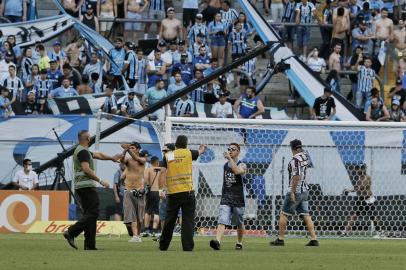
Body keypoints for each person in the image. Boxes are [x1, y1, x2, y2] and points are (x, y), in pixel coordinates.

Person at [63, 130, 121, 250]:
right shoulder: (83, 152)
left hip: (82, 187)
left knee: (90, 214)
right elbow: (86, 169)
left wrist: (112, 158)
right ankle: (71, 232)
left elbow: (98, 155)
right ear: (88, 139)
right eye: (91, 137)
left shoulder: (83, 151)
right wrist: (101, 180)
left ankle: (90, 245)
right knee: (93, 212)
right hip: (86, 186)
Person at [159, 135, 206, 251]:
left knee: (169, 220)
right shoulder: (189, 153)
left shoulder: (168, 155)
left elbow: (162, 173)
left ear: (176, 144)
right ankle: (188, 247)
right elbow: (200, 152)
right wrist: (202, 148)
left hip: (174, 192)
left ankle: (163, 245)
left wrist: (162, 189)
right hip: (188, 192)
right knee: (188, 221)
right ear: (186, 144)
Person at [270, 139, 319, 247]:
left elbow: (296, 176)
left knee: (284, 214)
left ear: (292, 148)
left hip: (296, 191)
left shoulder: (294, 160)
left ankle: (280, 239)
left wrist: (292, 192)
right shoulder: (305, 156)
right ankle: (314, 239)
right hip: (304, 191)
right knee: (306, 215)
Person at [209, 143, 247, 251]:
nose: (230, 151)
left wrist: (230, 159)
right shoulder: (225, 165)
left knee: (239, 222)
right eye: (229, 149)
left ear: (238, 152)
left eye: (233, 149)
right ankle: (217, 242)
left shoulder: (243, 165)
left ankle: (239, 242)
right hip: (226, 197)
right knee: (222, 220)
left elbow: (237, 171)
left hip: (238, 198)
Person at [341, 165, 383, 237]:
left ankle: (380, 232)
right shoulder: (359, 178)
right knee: (354, 215)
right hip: (360, 200)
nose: (359, 170)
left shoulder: (367, 178)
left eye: (361, 168)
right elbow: (358, 188)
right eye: (358, 169)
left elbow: (360, 188)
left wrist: (348, 191)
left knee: (373, 217)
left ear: (365, 169)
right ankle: (345, 232)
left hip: (367, 199)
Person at [120, 142, 148, 243]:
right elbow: (122, 160)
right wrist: (124, 151)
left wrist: (127, 149)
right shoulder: (128, 160)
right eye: (130, 148)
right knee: (131, 216)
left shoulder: (142, 160)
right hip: (128, 190)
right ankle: (135, 236)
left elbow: (137, 159)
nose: (131, 149)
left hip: (139, 191)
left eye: (133, 148)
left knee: (139, 216)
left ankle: (138, 235)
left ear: (138, 150)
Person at [142, 156, 162, 237]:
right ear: (157, 162)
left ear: (151, 162)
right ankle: (154, 230)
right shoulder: (161, 171)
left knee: (148, 211)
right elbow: (162, 182)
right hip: (157, 192)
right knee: (156, 211)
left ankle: (146, 230)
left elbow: (146, 180)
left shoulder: (148, 170)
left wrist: (145, 188)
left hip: (150, 192)